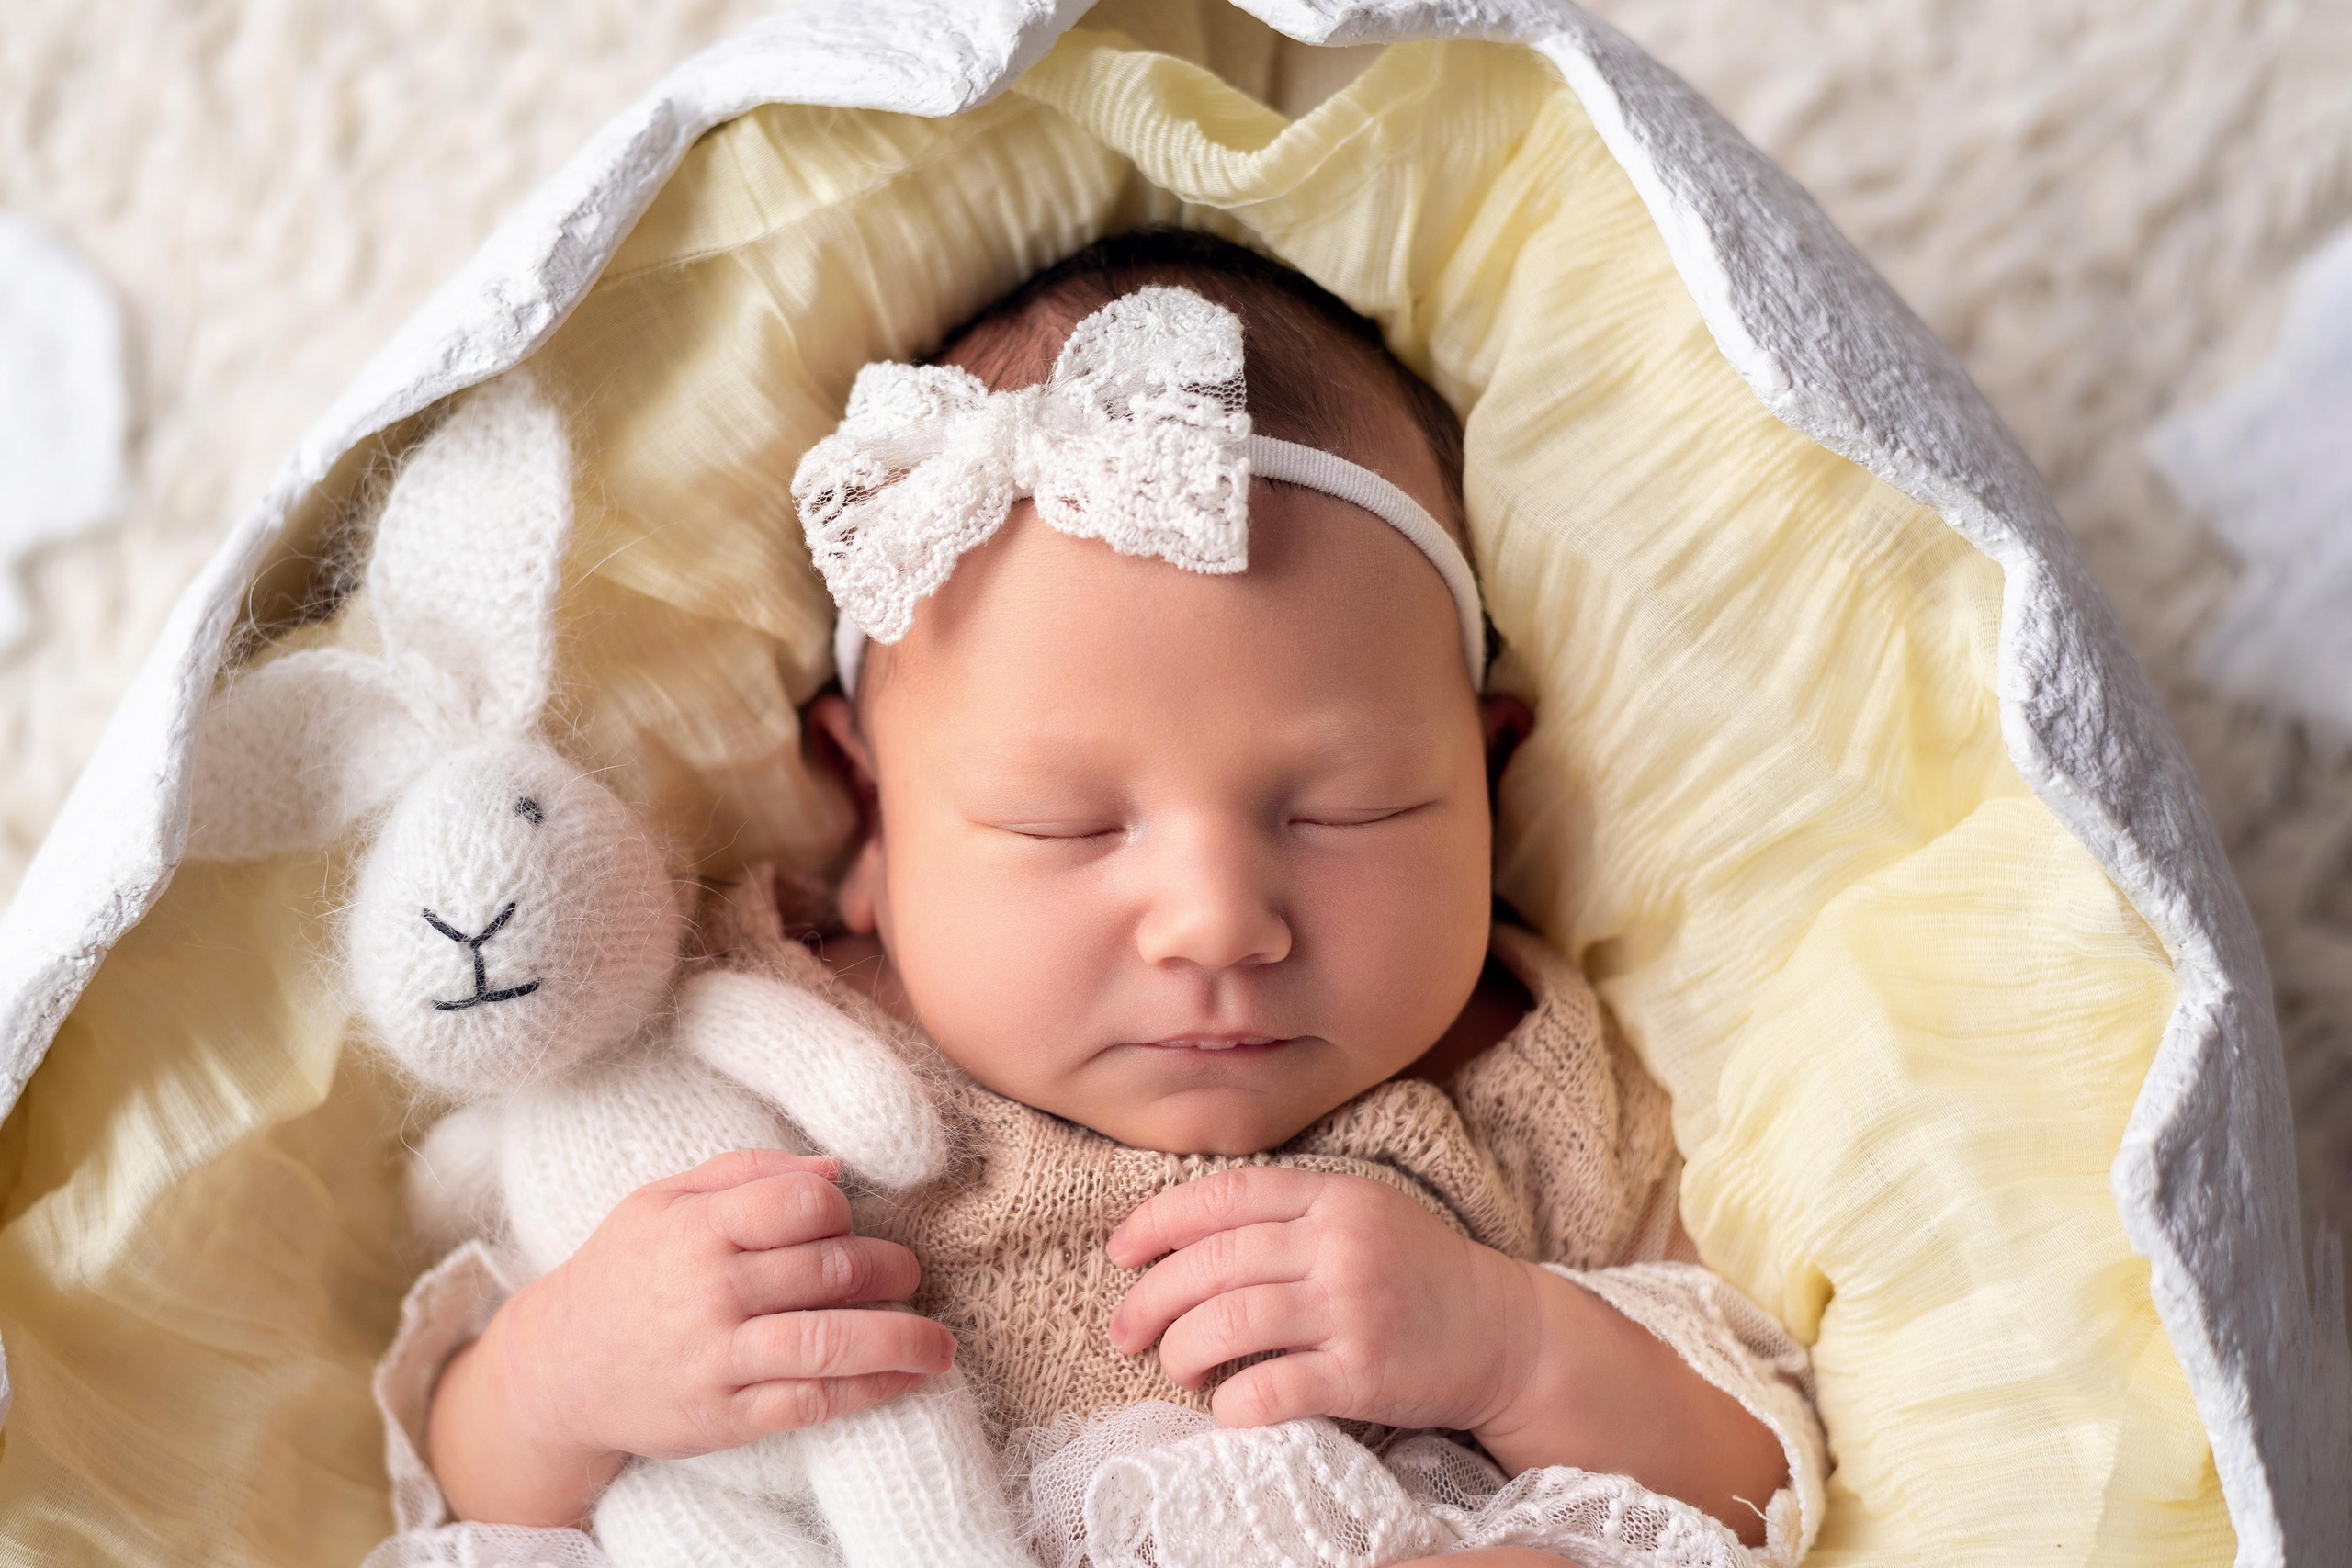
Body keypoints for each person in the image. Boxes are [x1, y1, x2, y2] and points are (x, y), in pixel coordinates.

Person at [409, 230, 1825, 1567]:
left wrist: (1508, 1343)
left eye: (1344, 811)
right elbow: (471, 1490)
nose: (1216, 922)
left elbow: (1754, 1473)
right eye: (1067, 822)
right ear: (873, 815)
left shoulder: (1521, 1088)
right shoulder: (752, 1035)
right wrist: (560, 1378)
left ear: (1491, 778)